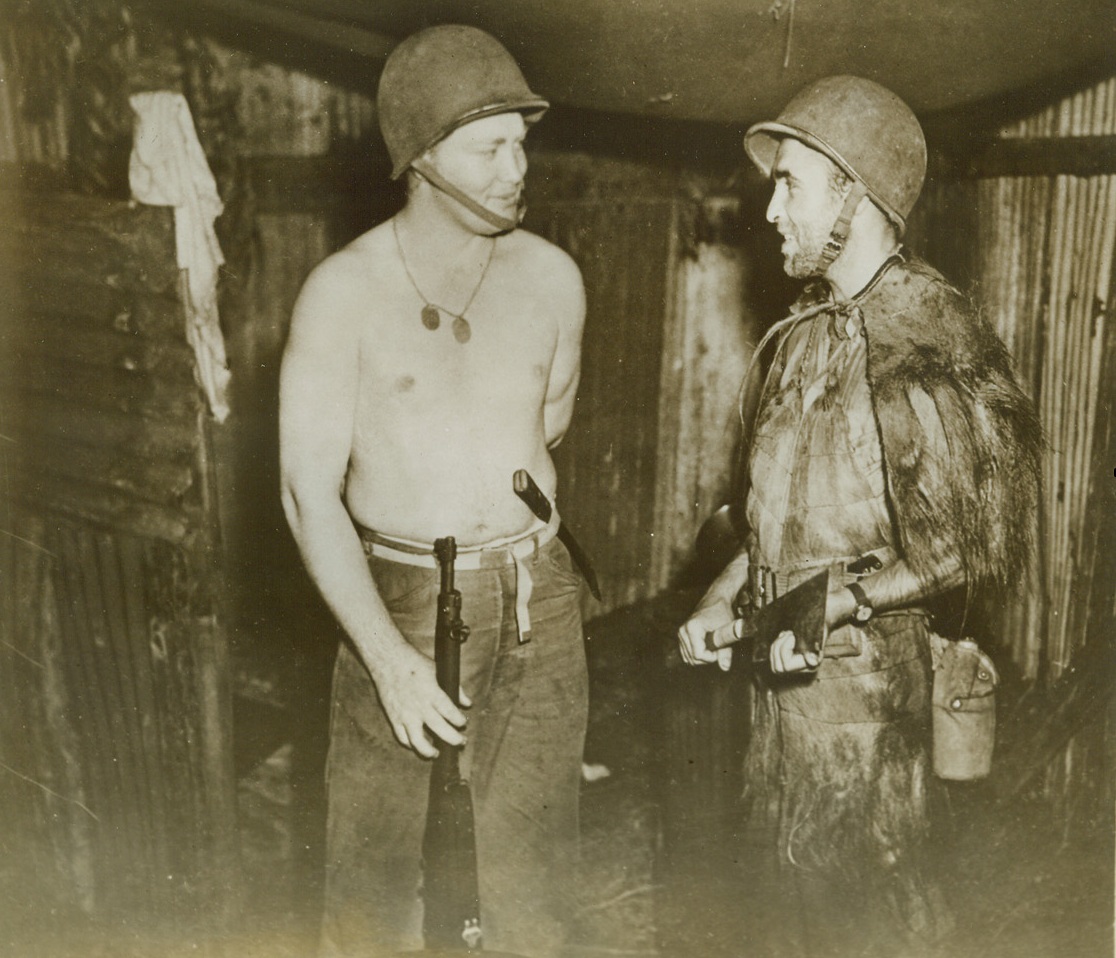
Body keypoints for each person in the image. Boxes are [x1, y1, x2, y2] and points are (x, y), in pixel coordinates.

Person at [677, 76, 1041, 957]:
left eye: (791, 182)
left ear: (854, 191)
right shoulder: (808, 332)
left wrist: (835, 601)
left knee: (873, 917)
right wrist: (725, 595)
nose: (771, 210)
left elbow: (972, 547)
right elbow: (776, 513)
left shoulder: (922, 336)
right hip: (787, 692)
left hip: (873, 708)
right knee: (793, 912)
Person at [279, 25, 589, 958]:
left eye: (522, 143)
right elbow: (306, 494)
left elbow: (550, 425)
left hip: (537, 595)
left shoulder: (552, 279)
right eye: (490, 147)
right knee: (371, 896)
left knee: (534, 886)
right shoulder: (343, 295)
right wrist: (388, 656)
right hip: (399, 598)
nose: (515, 167)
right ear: (421, 159)